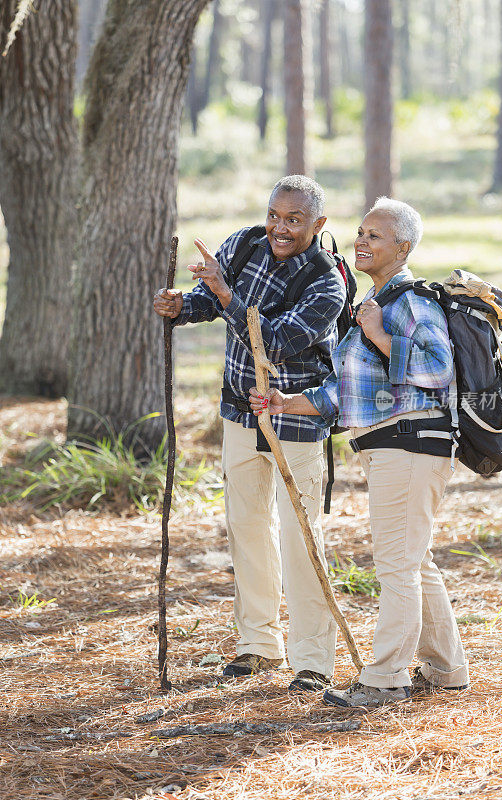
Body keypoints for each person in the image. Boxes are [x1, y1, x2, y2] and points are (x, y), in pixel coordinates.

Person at [249, 197, 469, 709]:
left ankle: (386, 678)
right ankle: (448, 668)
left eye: (377, 235)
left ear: (403, 247)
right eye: (362, 232)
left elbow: (438, 369)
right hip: (393, 447)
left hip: (411, 444)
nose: (363, 241)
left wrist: (378, 334)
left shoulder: (410, 303)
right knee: (415, 561)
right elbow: (342, 391)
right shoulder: (372, 304)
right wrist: (287, 403)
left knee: (396, 565)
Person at [153, 175, 347, 692]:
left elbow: (277, 342)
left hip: (296, 422)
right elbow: (208, 301)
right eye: (275, 215)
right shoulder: (244, 244)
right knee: (247, 530)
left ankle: (312, 660)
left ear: (318, 225)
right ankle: (259, 645)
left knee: (302, 538)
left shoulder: (328, 281)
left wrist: (223, 292)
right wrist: (181, 305)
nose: (280, 228)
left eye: (295, 220)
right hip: (240, 417)